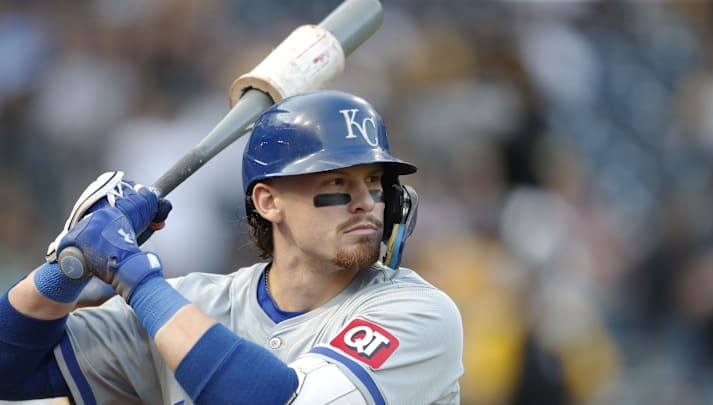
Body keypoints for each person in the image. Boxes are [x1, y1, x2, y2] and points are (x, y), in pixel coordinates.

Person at [0, 90, 464, 404]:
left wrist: (133, 274)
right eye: (339, 184)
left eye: (375, 184)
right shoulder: (192, 306)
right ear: (268, 201)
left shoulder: (417, 313)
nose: (367, 204)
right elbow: (12, 369)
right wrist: (66, 267)